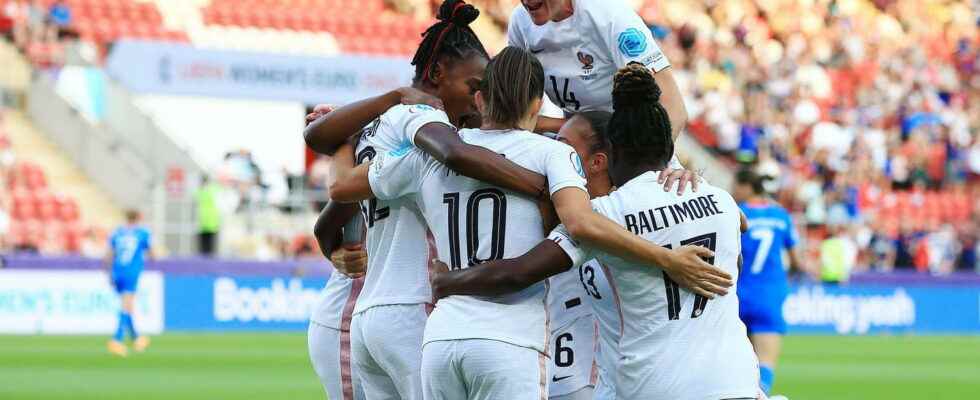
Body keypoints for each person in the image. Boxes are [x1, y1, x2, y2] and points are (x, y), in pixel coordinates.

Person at [329, 49, 731, 400]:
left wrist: (344, 141)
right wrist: (668, 253)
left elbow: (342, 188)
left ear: (481, 98)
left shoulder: (427, 156)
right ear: (537, 105)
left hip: (441, 338)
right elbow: (579, 223)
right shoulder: (552, 156)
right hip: (511, 341)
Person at [304, 2, 555, 398]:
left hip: (369, 315)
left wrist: (332, 249)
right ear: (438, 74)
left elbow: (333, 208)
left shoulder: (376, 129)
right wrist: (539, 185)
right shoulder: (422, 119)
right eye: (474, 86)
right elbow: (457, 152)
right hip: (413, 305)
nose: (478, 100)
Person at [506, 0, 687, 142]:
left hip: (628, 142)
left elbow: (673, 107)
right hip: (574, 139)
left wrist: (650, 164)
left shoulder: (609, 14)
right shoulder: (520, 22)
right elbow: (517, 111)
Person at [733, 169, 806, 398]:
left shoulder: (737, 213)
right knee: (765, 363)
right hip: (770, 294)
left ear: (746, 187)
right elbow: (796, 261)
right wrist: (792, 273)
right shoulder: (781, 216)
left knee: (737, 365)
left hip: (738, 294)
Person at [105, 210, 153, 357]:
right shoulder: (142, 233)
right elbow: (152, 253)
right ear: (139, 218)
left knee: (128, 305)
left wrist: (109, 274)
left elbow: (109, 254)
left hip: (117, 271)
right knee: (127, 304)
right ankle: (117, 340)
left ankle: (136, 338)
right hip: (131, 272)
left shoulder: (117, 233)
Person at [194, 175, 221, 256]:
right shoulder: (213, 190)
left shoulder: (201, 191)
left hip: (206, 221)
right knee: (208, 247)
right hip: (209, 222)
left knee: (205, 246)